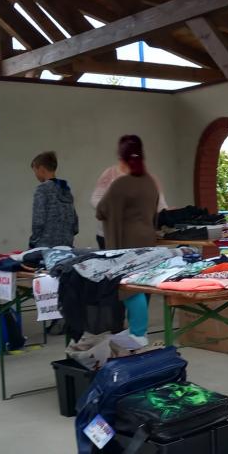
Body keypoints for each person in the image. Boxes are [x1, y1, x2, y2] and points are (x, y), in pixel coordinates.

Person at [96, 135, 159, 342]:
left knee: (130, 288)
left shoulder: (121, 184)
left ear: (122, 158)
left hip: (127, 242)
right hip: (148, 240)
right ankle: (137, 330)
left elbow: (101, 210)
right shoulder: (150, 182)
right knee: (142, 286)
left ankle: (138, 333)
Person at [91, 155, 168, 250]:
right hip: (111, 235)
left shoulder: (150, 180)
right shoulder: (111, 175)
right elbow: (96, 201)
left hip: (137, 237)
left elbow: (161, 206)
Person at [29, 151, 78, 249]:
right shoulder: (66, 190)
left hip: (45, 246)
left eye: (35, 171)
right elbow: (75, 223)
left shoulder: (42, 189)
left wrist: (32, 242)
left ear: (41, 169)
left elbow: (38, 221)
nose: (35, 175)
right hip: (66, 245)